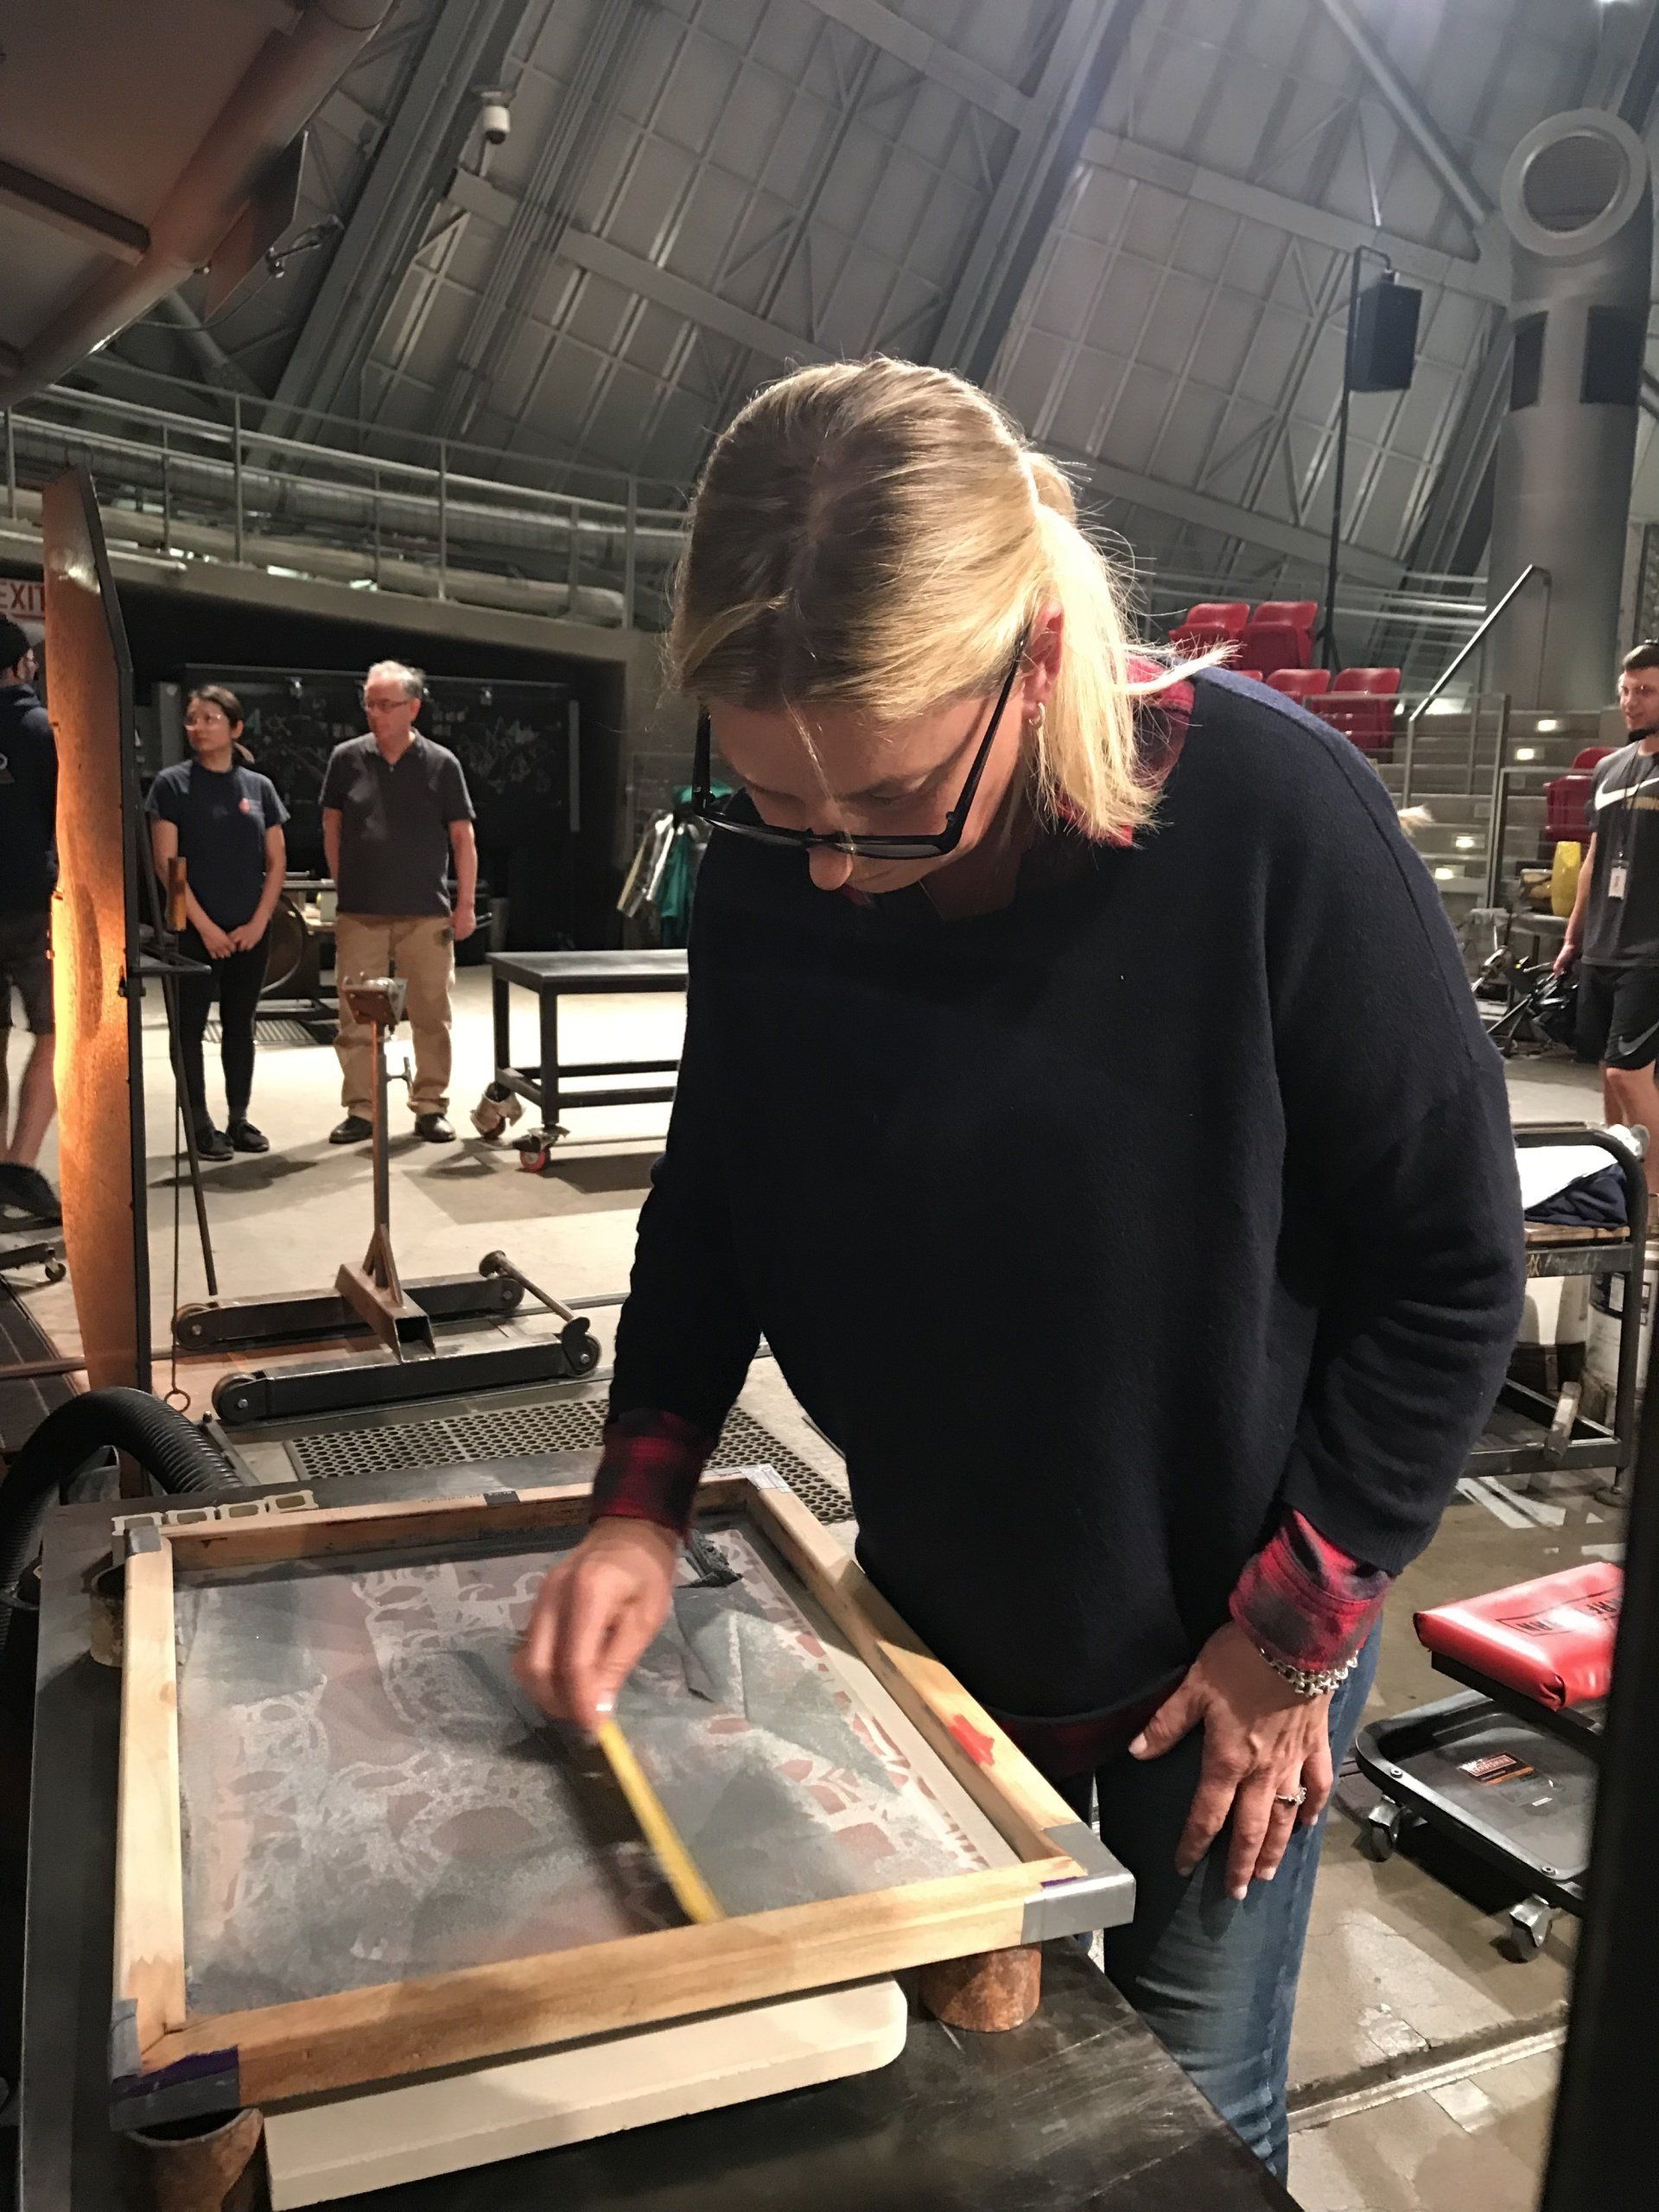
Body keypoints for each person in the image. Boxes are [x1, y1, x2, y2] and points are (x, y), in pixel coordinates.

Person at [512, 359, 1525, 2177]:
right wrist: (636, 1505)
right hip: (937, 1611)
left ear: (1036, 664)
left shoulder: (1277, 823)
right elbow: (716, 1199)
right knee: (958, 2111)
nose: (833, 871)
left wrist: (1287, 1640)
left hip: (1227, 1634)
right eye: (775, 801)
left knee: (1179, 2136)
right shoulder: (773, 864)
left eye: (892, 801)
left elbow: (1450, 1267)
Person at [321, 660, 476, 1144]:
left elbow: (463, 838)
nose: (375, 713)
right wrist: (344, 881)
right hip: (361, 912)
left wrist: (465, 904)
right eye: (369, 704)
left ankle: (430, 1104)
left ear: (413, 708)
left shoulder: (441, 763)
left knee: (430, 1011)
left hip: (425, 911)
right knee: (357, 1016)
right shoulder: (347, 759)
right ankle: (362, 1108)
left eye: (386, 705)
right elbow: (332, 826)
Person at [147, 686, 289, 1160]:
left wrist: (259, 922)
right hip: (192, 931)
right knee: (189, 1028)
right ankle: (199, 1124)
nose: (198, 727)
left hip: (249, 929)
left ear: (235, 728)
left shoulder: (259, 787)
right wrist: (204, 928)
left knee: (240, 1024)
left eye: (210, 718)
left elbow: (276, 862)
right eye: (192, 719)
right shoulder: (171, 785)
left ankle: (239, 1117)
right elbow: (168, 866)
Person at [1556, 641, 1659, 1198]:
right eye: (1626, 690)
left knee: (1628, 1071)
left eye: (1646, 691)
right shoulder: (1608, 769)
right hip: (1602, 943)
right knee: (1609, 1075)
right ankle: (1621, 1184)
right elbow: (1596, 859)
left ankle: (1653, 1197)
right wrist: (1574, 936)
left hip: (1651, 951)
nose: (1630, 702)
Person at [0, 619, 60, 1228]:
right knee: (55, 1031)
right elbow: (65, 817)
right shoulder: (42, 729)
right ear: (20, 666)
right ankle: (19, 1165)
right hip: (34, 907)